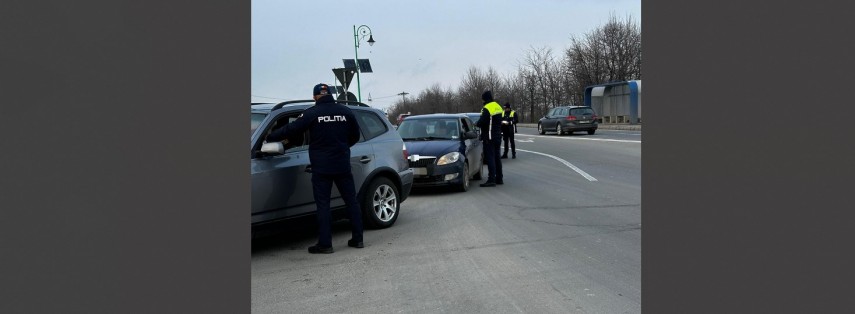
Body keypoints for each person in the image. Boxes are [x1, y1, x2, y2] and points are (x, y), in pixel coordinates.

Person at [267, 83, 364, 254]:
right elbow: (355, 135)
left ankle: (325, 244)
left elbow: (292, 129)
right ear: (330, 95)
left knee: (323, 205)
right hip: (342, 164)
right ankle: (358, 240)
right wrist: (342, 147)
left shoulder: (312, 113)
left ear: (314, 97)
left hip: (322, 167)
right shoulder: (346, 111)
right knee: (351, 201)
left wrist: (271, 136)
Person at [475, 90, 504, 187]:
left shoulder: (487, 108)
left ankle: (491, 179)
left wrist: (476, 124)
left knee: (490, 158)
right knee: (497, 158)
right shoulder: (498, 106)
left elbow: (482, 121)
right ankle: (499, 178)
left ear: (485, 98)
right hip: (498, 136)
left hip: (489, 137)